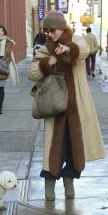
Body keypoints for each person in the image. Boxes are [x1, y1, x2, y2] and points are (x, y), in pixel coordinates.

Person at [28, 11, 106, 201]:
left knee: (74, 146)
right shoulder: (45, 49)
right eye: (47, 31)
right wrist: (48, 63)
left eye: (52, 30)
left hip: (76, 106)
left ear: (62, 27)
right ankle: (49, 186)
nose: (50, 34)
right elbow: (32, 73)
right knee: (55, 149)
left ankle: (69, 183)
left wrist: (68, 50)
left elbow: (85, 50)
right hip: (55, 107)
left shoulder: (76, 40)